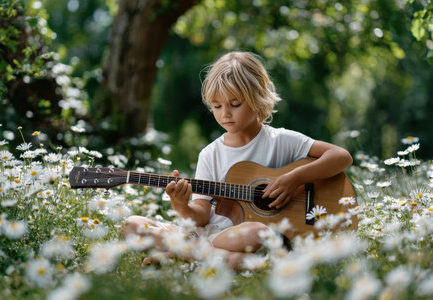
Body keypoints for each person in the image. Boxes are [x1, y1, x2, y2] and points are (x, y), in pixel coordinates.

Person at [121, 51, 353, 269]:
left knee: (257, 232)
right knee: (132, 225)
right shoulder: (210, 154)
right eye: (217, 106)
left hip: (250, 235)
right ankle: (210, 256)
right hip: (213, 235)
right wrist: (181, 205)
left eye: (234, 104)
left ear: (257, 98)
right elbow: (200, 217)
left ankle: (188, 254)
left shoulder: (281, 140)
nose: (225, 114)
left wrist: (295, 178)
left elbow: (341, 156)